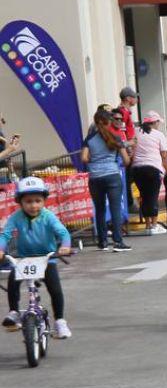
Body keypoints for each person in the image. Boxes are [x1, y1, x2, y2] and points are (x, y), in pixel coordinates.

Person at [0, 176, 73, 338]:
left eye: (38, 200)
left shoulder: (48, 216)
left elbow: (62, 232)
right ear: (20, 202)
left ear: (44, 201)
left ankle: (60, 321)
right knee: (13, 280)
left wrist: (65, 246)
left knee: (55, 289)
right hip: (24, 258)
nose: (33, 205)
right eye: (28, 201)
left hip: (47, 258)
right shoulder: (16, 217)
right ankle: (14, 312)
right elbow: (5, 235)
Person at [81, 107, 131, 252]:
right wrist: (115, 162)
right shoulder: (116, 138)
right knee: (115, 209)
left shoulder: (89, 139)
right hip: (112, 175)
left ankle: (102, 242)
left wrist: (94, 161)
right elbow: (127, 160)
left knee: (100, 209)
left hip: (95, 177)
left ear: (96, 123)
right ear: (109, 122)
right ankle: (118, 241)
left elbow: (84, 158)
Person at [129, 111, 167, 235]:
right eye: (158, 122)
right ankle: (153, 225)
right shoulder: (159, 135)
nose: (159, 125)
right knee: (153, 197)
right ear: (154, 122)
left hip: (137, 169)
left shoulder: (136, 132)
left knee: (144, 196)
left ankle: (147, 225)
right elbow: (164, 155)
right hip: (153, 168)